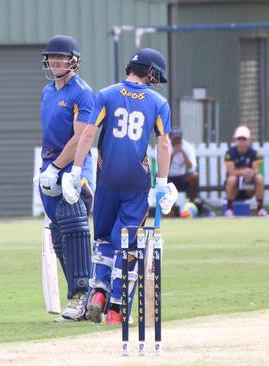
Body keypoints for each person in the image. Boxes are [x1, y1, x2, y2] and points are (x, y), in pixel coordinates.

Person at [61, 48, 177, 324]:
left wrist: (76, 172)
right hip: (136, 181)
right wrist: (162, 183)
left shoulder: (106, 94)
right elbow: (163, 143)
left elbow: (88, 133)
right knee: (128, 245)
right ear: (149, 72)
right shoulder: (158, 102)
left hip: (107, 178)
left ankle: (98, 291)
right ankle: (115, 307)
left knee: (102, 238)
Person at [38, 35, 95, 322]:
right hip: (50, 167)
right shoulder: (48, 91)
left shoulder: (82, 93)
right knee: (59, 238)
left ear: (74, 60)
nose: (56, 61)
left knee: (75, 230)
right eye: (52, 57)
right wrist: (47, 169)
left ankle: (84, 296)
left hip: (74, 170)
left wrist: (57, 168)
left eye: (62, 57)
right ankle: (79, 296)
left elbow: (82, 135)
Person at [223, 125, 267, 217]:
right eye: (240, 139)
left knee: (259, 178)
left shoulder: (254, 153)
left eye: (244, 139)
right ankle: (229, 209)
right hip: (234, 188)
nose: (242, 141)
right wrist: (244, 172)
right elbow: (231, 171)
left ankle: (260, 208)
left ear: (249, 140)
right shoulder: (230, 153)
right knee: (232, 179)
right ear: (236, 140)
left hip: (248, 186)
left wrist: (250, 174)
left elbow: (256, 170)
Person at [168, 128, 199, 203]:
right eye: (175, 138)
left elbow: (191, 167)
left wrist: (183, 152)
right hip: (168, 177)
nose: (177, 141)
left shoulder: (187, 146)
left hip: (181, 176)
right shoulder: (166, 146)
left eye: (179, 138)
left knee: (194, 177)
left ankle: (192, 202)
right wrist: (173, 154)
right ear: (171, 138)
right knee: (157, 177)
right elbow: (163, 167)